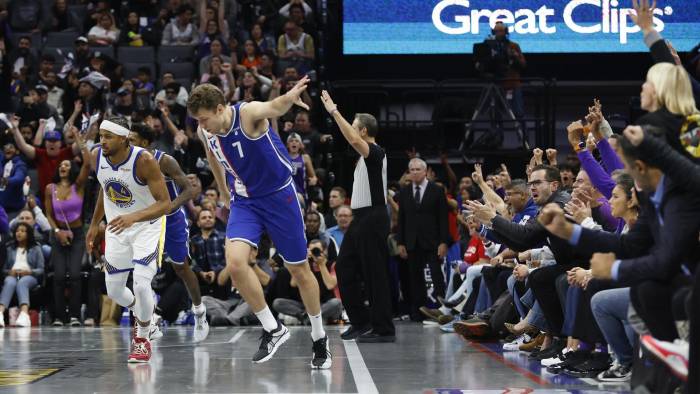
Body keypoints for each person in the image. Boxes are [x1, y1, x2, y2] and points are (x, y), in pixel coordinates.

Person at [187, 79, 331, 368]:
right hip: (245, 201)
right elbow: (212, 157)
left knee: (300, 270)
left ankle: (319, 337)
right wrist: (224, 192)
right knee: (236, 262)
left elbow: (274, 106)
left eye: (204, 119)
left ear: (219, 108)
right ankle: (273, 329)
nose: (202, 125)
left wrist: (289, 96)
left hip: (280, 197)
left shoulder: (248, 114)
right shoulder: (207, 130)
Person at [85, 117, 171, 363]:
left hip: (146, 227)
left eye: (108, 136)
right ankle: (147, 317)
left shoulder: (144, 160)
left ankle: (142, 338)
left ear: (123, 138)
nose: (103, 141)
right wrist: (93, 224)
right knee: (113, 290)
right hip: (117, 228)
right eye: (101, 136)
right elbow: (105, 188)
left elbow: (165, 204)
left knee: (142, 285)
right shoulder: (97, 156)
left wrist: (133, 217)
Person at [320, 90, 396, 342]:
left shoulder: (376, 153)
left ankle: (384, 329)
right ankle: (362, 321)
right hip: (360, 218)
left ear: (363, 131)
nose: (351, 131)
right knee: (344, 267)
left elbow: (352, 140)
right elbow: (352, 139)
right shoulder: (365, 157)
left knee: (375, 273)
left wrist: (333, 111)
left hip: (373, 217)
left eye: (355, 127)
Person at [128, 123, 209, 342]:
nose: (128, 144)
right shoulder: (127, 162)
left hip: (171, 219)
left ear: (145, 143)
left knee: (181, 268)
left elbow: (191, 189)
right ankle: (149, 321)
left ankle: (199, 311)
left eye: (132, 140)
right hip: (146, 220)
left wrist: (172, 206)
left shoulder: (164, 160)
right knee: (142, 270)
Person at [396, 158, 450, 321]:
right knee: (415, 278)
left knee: (436, 276)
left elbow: (443, 218)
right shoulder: (404, 192)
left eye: (417, 169)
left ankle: (442, 311)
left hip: (433, 241)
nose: (414, 172)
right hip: (412, 241)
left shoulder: (437, 190)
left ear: (425, 171)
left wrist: (443, 241)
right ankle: (418, 311)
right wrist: (400, 242)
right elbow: (401, 218)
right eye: (411, 170)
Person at [45, 150, 90, 327]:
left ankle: (74, 316)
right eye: (61, 165)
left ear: (72, 170)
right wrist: (57, 231)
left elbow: (87, 164)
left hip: (77, 234)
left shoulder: (78, 186)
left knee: (76, 275)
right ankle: (58, 317)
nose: (63, 166)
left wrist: (81, 143)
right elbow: (48, 214)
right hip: (58, 234)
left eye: (67, 165)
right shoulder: (50, 188)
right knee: (58, 276)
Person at [272, 239, 343, 324]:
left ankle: (308, 318)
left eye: (317, 250)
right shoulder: (305, 265)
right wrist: (303, 262)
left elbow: (330, 285)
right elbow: (293, 284)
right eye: (312, 251)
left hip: (324, 304)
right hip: (305, 304)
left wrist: (322, 265)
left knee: (336, 303)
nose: (314, 253)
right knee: (277, 303)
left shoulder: (333, 265)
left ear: (325, 251)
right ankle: (308, 317)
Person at [0, 222, 44, 327]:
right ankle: (0, 313)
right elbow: (3, 269)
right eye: (17, 231)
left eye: (23, 231)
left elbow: (41, 269)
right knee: (9, 282)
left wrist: (30, 272)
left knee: (23, 283)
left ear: (28, 234)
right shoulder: (9, 248)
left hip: (29, 276)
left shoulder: (36, 248)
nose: (19, 233)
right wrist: (9, 272)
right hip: (13, 275)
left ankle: (24, 314)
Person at [286, 132, 317, 200]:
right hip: (286, 194)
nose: (294, 143)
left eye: (297, 141)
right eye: (291, 141)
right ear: (288, 145)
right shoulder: (283, 157)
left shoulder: (305, 158)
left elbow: (314, 177)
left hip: (300, 194)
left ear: (300, 145)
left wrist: (313, 180)